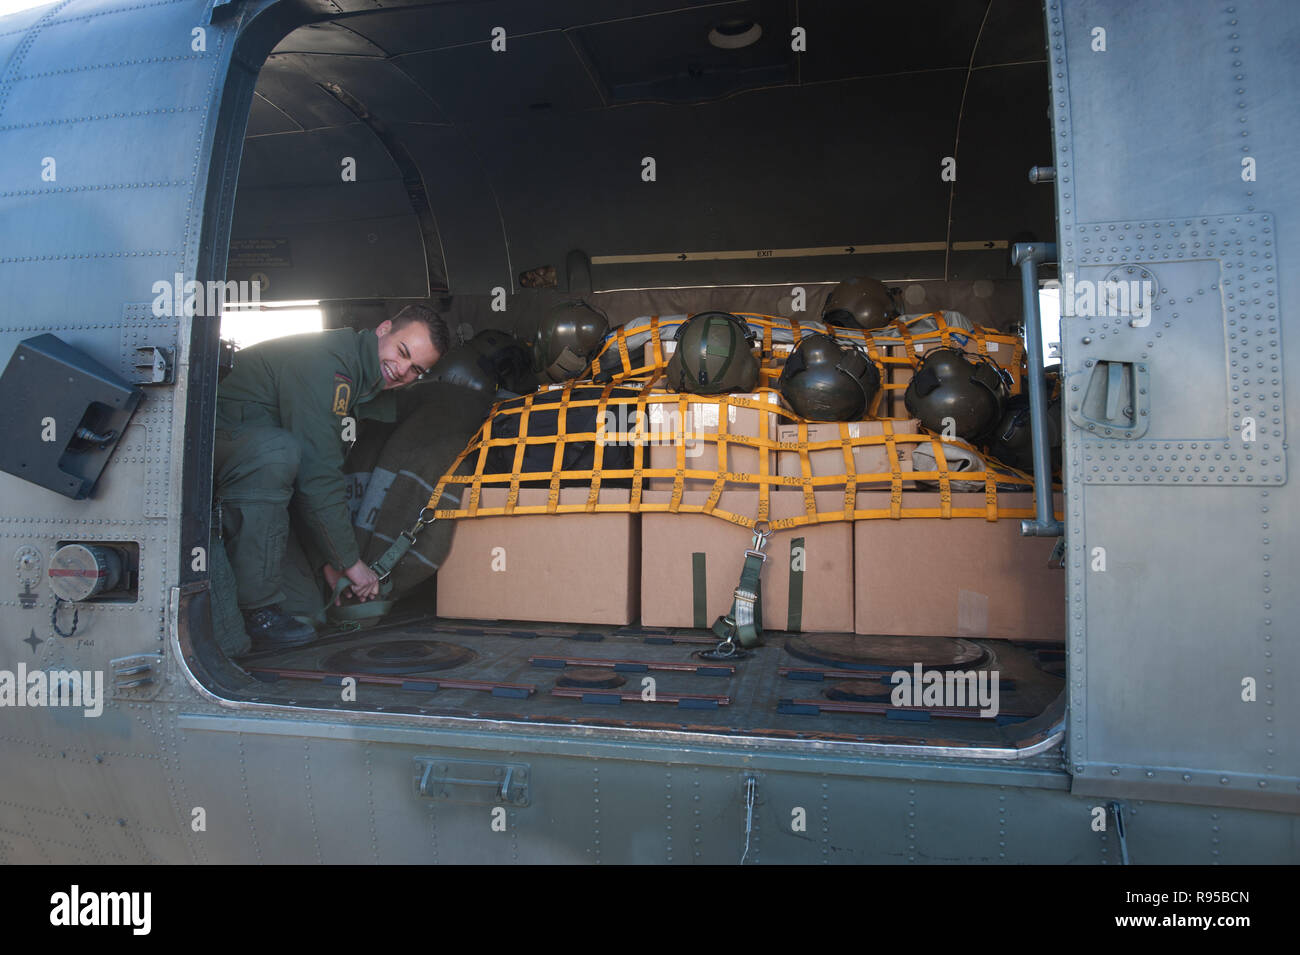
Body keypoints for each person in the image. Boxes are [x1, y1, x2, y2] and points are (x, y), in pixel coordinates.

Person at [214, 304, 449, 651]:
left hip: (258, 482)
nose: (401, 371)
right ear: (383, 329)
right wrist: (351, 563)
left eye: (416, 369)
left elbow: (310, 482)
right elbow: (317, 476)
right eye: (402, 352)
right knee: (277, 450)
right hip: (209, 455)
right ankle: (256, 610)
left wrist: (330, 561)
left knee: (307, 614)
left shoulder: (361, 387)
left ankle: (265, 610)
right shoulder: (329, 365)